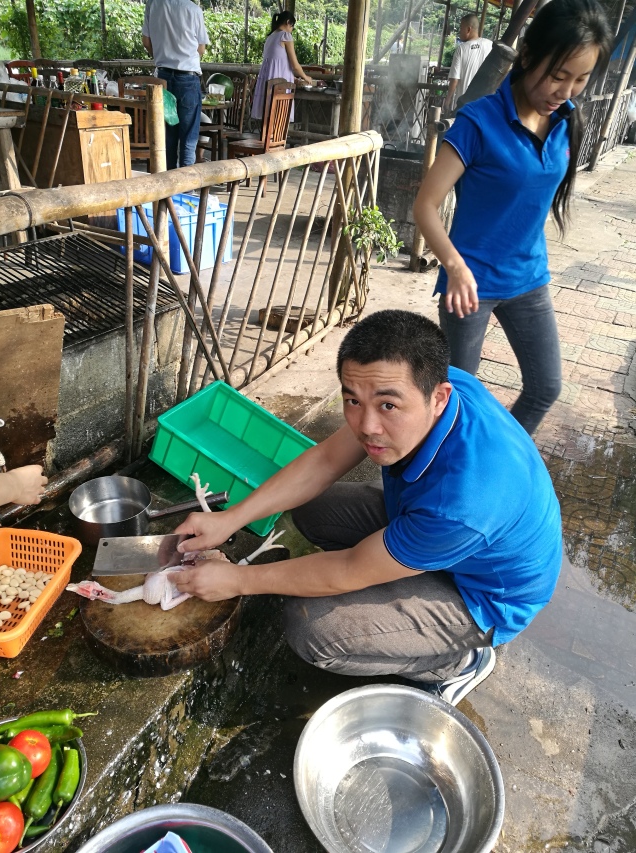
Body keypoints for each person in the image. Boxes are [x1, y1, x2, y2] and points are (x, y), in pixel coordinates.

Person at [172, 310, 563, 706]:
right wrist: (230, 518)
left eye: (388, 406)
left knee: (313, 629)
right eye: (353, 401)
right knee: (313, 508)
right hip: (445, 534)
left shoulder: (463, 501)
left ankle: (457, 662)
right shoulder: (434, 385)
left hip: (485, 596)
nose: (367, 426)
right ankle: (404, 578)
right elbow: (326, 460)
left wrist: (237, 580)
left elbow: (348, 568)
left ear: (438, 398)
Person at [414, 0, 612, 436]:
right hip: (470, 285)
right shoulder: (478, 122)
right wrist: (455, 267)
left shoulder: (566, 119)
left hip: (528, 278)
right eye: (558, 75)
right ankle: (443, 466)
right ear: (527, 56)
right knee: (457, 403)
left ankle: (500, 458)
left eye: (580, 79)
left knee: (545, 387)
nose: (566, 91)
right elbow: (425, 205)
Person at [141, 0, 209, 169]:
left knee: (167, 136)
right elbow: (201, 49)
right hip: (188, 79)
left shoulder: (153, 5)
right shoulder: (193, 9)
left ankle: (168, 183)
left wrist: (161, 56)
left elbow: (146, 41)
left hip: (162, 78)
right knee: (188, 137)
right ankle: (186, 183)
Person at [251, 12, 314, 125]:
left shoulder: (270, 37)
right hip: (279, 85)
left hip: (268, 82)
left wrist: (293, 78)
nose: (291, 30)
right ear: (288, 22)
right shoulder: (285, 36)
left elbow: (278, 63)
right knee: (279, 118)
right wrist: (306, 77)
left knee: (269, 118)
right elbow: (295, 65)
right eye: (292, 26)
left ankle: (267, 137)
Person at [443, 13, 492, 114]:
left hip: (464, 106)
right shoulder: (490, 45)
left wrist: (448, 100)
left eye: (461, 28)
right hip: (483, 105)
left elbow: (454, 79)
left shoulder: (461, 49)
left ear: (468, 29)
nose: (459, 31)